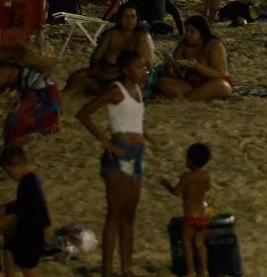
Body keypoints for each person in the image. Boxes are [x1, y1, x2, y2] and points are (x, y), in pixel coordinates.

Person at [76, 49, 149, 277]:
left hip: (136, 153)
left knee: (129, 216)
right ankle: (108, 269)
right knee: (115, 214)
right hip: (119, 153)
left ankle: (126, 268)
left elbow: (133, 120)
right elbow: (83, 114)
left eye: (144, 67)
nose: (144, 71)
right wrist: (105, 142)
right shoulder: (115, 91)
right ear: (126, 70)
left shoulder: (138, 90)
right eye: (139, 67)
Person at [160, 144, 213, 277]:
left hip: (190, 216)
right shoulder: (206, 175)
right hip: (203, 215)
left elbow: (176, 192)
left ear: (189, 161)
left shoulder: (187, 177)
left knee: (187, 244)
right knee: (200, 244)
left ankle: (191, 271)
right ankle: (204, 271)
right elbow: (207, 188)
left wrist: (165, 183)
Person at [154, 16, 233, 102]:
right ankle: (187, 98)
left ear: (201, 33)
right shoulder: (183, 45)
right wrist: (170, 66)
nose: (188, 34)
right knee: (163, 82)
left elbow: (220, 74)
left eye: (192, 32)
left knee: (221, 85)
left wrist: (197, 67)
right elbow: (176, 75)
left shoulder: (213, 45)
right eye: (187, 31)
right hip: (191, 84)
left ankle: (183, 100)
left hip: (211, 82)